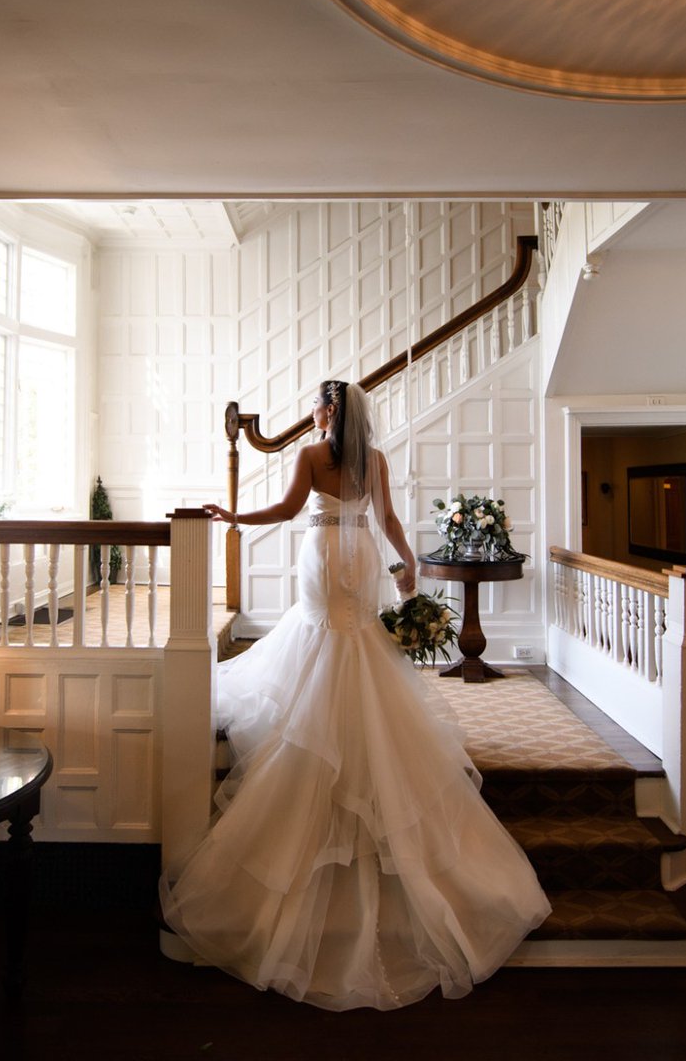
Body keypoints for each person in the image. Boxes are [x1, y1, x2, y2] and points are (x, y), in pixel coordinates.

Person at [160, 380, 550, 1011]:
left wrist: (233, 517)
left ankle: (316, 720)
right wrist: (406, 566)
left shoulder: (313, 455)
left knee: (320, 629)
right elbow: (390, 518)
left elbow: (288, 512)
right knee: (355, 632)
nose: (312, 414)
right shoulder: (374, 458)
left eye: (316, 405)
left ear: (326, 411)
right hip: (363, 555)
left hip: (323, 555)